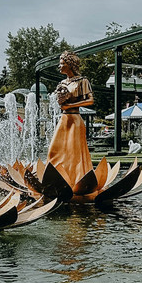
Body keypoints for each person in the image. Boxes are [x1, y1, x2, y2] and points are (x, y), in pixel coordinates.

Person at [46, 50, 94, 187]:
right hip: (64, 120)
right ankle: (56, 180)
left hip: (75, 119)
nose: (59, 66)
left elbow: (90, 100)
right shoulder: (62, 83)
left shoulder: (82, 81)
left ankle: (75, 183)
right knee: (53, 150)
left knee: (74, 154)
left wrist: (72, 104)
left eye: (62, 64)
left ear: (70, 65)